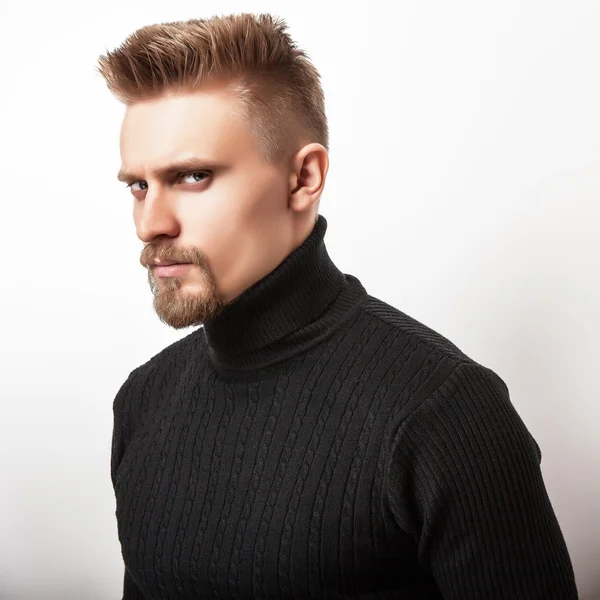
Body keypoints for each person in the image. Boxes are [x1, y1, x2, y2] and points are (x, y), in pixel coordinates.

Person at [96, 12, 579, 600]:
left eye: (193, 176)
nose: (150, 223)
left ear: (304, 177)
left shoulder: (444, 413)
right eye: (138, 186)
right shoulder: (144, 402)